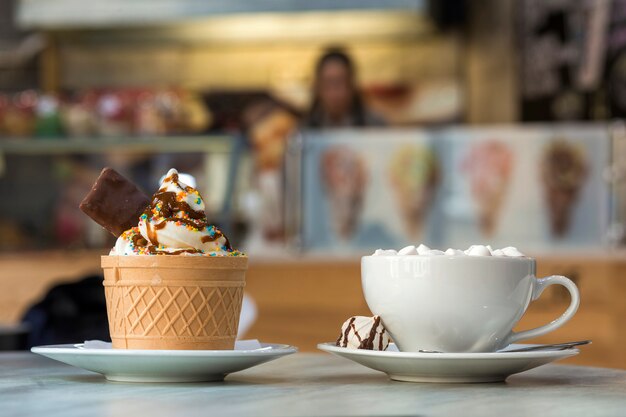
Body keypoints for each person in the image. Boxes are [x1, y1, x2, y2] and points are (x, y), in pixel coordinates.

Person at [305, 49, 384, 128]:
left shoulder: (374, 126)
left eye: (339, 83)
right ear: (318, 87)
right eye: (328, 83)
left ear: (351, 85)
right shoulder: (305, 129)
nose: (334, 92)